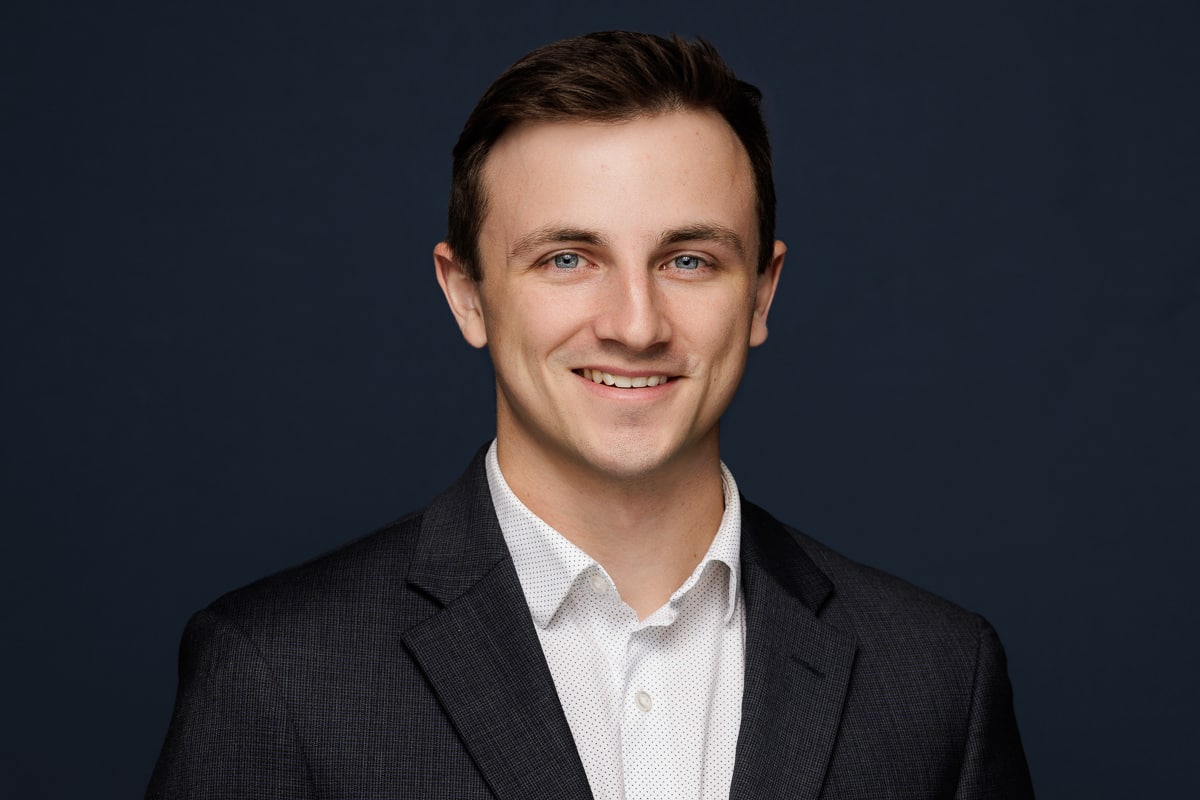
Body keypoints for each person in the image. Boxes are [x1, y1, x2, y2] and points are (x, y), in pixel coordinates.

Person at [147, 31, 1034, 799]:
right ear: (467, 295)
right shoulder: (277, 672)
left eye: (689, 261)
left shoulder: (936, 677)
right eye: (569, 258)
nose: (635, 325)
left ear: (761, 294)